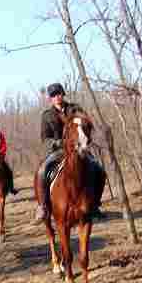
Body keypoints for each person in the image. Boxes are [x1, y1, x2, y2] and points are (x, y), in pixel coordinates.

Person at [33, 83, 105, 224]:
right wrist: (58, 143)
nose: (57, 97)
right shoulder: (47, 116)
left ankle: (95, 204)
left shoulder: (75, 109)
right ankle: (42, 206)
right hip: (58, 151)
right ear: (50, 99)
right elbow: (45, 139)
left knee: (99, 169)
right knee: (42, 171)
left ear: (63, 94)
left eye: (58, 93)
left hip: (78, 149)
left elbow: (86, 124)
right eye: (53, 95)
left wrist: (84, 137)